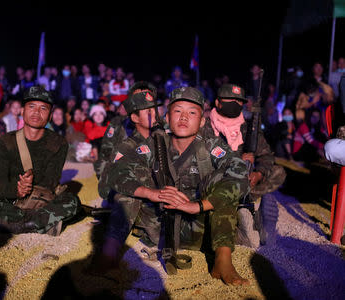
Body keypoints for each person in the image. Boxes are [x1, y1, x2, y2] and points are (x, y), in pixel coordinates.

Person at [98, 86, 250, 285]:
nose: (184, 117)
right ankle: (108, 255)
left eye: (192, 112)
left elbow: (240, 174)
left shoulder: (211, 145)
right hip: (159, 227)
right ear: (167, 117)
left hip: (202, 228)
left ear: (202, 121)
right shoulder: (155, 144)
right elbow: (117, 173)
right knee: (133, 185)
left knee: (224, 181)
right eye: (178, 111)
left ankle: (223, 260)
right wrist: (152, 193)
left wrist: (197, 205)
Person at [0, 86, 79, 235]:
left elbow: (50, 183)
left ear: (50, 115)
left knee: (72, 201)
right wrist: (17, 190)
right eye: (32, 106)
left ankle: (11, 225)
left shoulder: (58, 143)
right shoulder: (5, 142)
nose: (36, 112)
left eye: (43, 108)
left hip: (40, 201)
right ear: (22, 111)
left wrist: (28, 183)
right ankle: (38, 223)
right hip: (11, 202)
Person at [204, 83, 285, 248]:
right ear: (218, 102)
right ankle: (244, 220)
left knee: (277, 172)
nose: (234, 103)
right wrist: (238, 160)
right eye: (230, 99)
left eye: (238, 100)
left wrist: (259, 174)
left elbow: (267, 156)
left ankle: (259, 217)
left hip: (248, 182)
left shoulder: (248, 128)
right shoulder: (206, 127)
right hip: (218, 182)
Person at [94, 81, 157, 200]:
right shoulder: (118, 124)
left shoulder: (162, 128)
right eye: (137, 97)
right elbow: (106, 154)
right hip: (122, 172)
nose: (143, 101)